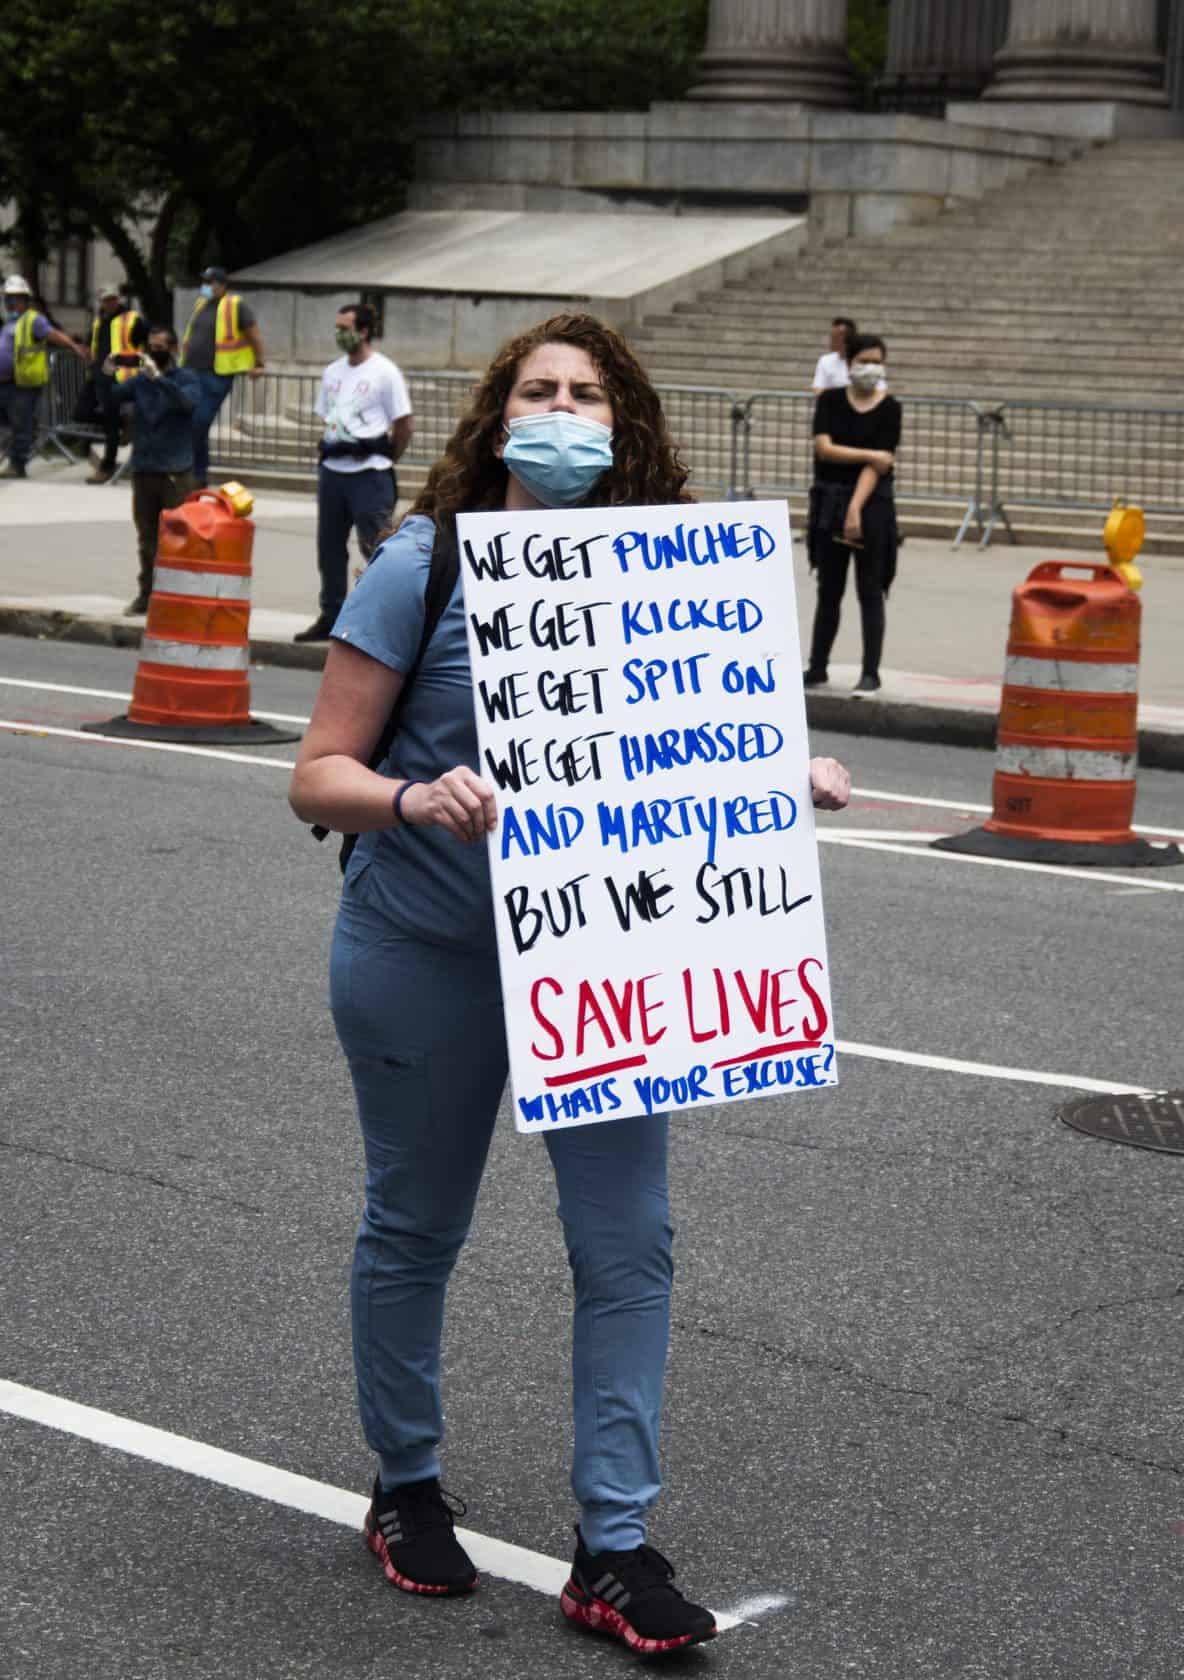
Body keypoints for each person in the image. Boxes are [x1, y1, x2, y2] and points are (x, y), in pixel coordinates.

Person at [287, 311, 851, 1655]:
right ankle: (407, 1484)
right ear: (495, 416)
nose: (560, 410)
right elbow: (318, 773)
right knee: (417, 1226)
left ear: (625, 423)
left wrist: (790, 775)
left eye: (586, 395)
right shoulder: (421, 565)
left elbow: (691, 754)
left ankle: (615, 1546)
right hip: (423, 959)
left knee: (628, 1249)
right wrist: (414, 794)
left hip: (607, 966)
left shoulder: (664, 577)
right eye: (536, 390)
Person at [294, 302, 414, 644]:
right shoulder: (332, 372)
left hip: (369, 472)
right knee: (329, 547)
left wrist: (389, 455)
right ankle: (330, 614)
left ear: (363, 331)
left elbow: (404, 423)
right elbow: (326, 417)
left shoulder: (384, 372)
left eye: (344, 327)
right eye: (336, 327)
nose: (338, 334)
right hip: (333, 471)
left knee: (376, 547)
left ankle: (382, 620)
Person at [804, 332, 901, 696]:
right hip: (829, 501)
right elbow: (824, 449)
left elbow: (882, 464)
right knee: (829, 588)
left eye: (877, 361)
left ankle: (870, 673)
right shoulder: (830, 400)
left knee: (870, 589)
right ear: (849, 364)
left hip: (871, 504)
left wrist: (855, 509)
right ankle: (817, 667)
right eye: (864, 360)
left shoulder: (890, 407)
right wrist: (868, 454)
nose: (870, 368)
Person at [111, 326, 202, 614]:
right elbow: (113, 397)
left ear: (173, 349)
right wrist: (104, 372)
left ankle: (177, 599)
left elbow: (187, 405)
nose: (154, 352)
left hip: (175, 470)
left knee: (178, 539)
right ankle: (146, 594)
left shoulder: (186, 378)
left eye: (160, 347)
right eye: (150, 346)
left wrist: (160, 379)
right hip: (145, 468)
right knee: (147, 538)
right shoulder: (141, 380)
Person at [179, 264, 266, 487]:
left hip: (217, 375)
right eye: (204, 282)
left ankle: (196, 474)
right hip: (190, 373)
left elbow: (254, 335)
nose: (206, 286)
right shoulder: (201, 304)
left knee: (199, 422)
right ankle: (196, 475)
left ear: (222, 285)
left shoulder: (235, 305)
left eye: (210, 282)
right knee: (191, 423)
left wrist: (259, 363)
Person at [0, 274, 88, 478]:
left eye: (14, 297)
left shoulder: (34, 320)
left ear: (24, 299)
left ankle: (17, 465)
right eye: (7, 297)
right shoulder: (8, 323)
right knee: (11, 424)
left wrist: (74, 347)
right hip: (6, 383)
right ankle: (13, 455)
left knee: (21, 423)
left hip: (23, 383)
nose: (9, 301)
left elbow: (54, 335)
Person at [79, 282, 147, 483]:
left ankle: (106, 467)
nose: (109, 303)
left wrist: (139, 365)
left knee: (109, 424)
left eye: (112, 299)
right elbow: (94, 344)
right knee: (80, 412)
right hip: (97, 376)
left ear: (118, 299)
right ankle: (123, 423)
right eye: (105, 300)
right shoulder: (100, 320)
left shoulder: (132, 319)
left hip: (118, 378)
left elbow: (147, 344)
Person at [811, 316, 856, 393]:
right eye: (831, 336)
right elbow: (817, 388)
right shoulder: (825, 360)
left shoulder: (863, 360)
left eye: (834, 337)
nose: (831, 340)